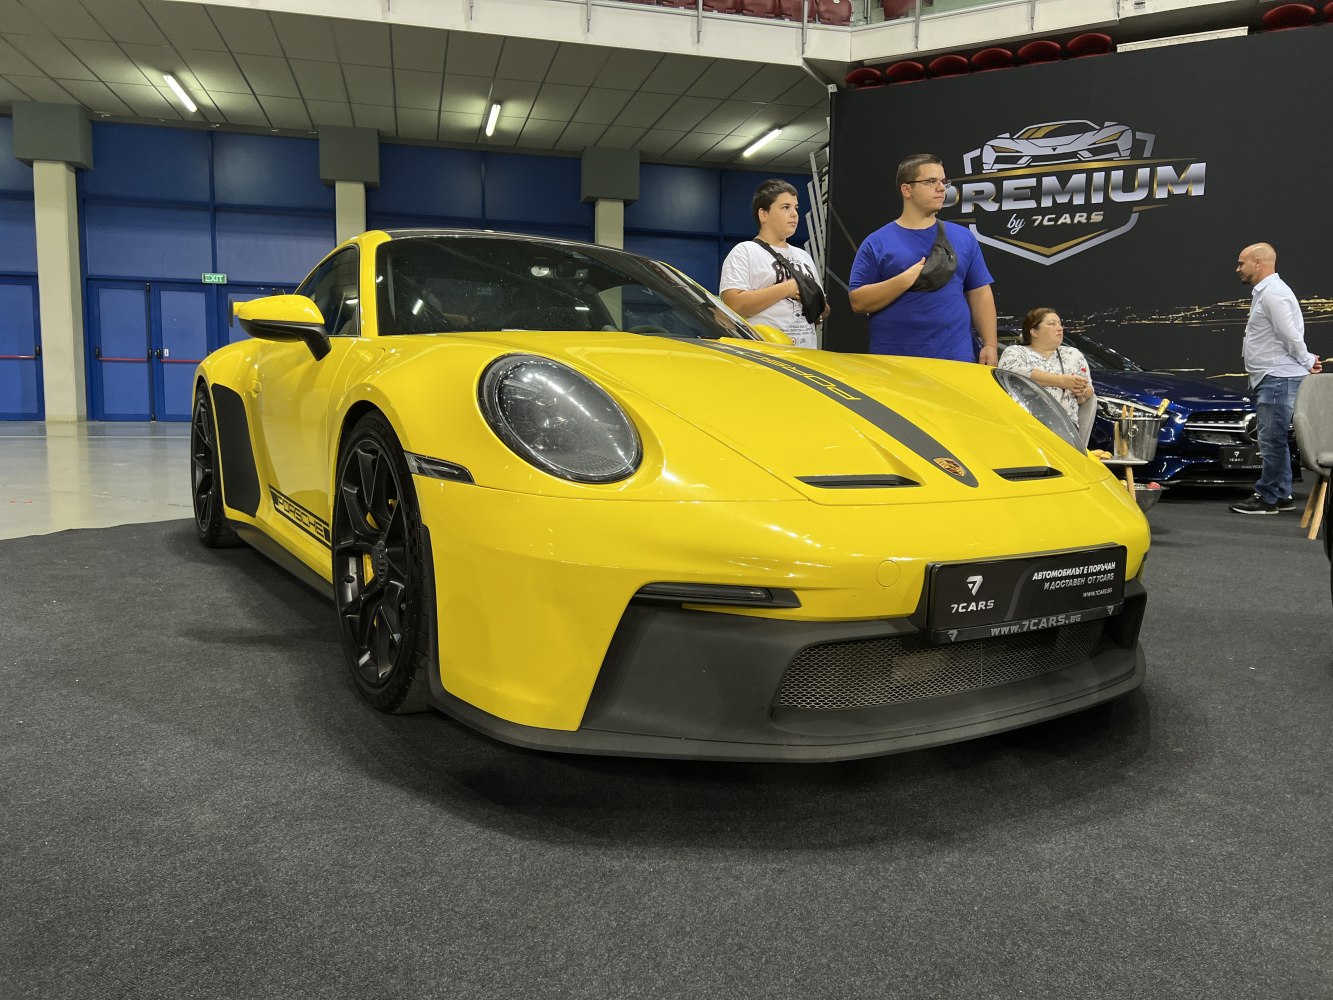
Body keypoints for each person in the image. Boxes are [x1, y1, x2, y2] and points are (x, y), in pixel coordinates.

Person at [847, 153, 998, 364]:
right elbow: (858, 301)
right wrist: (903, 281)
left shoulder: (964, 238)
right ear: (906, 190)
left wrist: (990, 344)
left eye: (943, 181)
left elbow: (980, 292)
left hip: (955, 359)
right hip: (894, 363)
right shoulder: (877, 242)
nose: (941, 188)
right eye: (930, 182)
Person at [1229, 242, 1322, 515]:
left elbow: (1289, 334)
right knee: (1275, 439)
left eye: (1241, 263)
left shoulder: (1273, 294)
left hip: (1278, 378)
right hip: (1273, 377)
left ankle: (1267, 497)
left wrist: (1306, 360)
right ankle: (1281, 493)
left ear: (1259, 263)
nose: (1238, 269)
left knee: (1271, 440)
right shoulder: (1267, 293)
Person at [719, 179, 827, 348]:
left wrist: (817, 304)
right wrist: (788, 288)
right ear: (764, 214)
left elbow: (822, 311)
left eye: (796, 207)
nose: (794, 214)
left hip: (805, 357)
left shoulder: (804, 256)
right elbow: (734, 304)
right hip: (764, 357)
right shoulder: (745, 251)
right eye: (785, 207)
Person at [998, 308, 1097, 447]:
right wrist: (1060, 381)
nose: (1059, 328)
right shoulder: (1016, 352)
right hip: (1025, 427)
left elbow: (1087, 395)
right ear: (1034, 331)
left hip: (1066, 430)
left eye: (1060, 323)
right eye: (1052, 324)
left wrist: (1081, 391)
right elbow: (1010, 373)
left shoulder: (1073, 354)